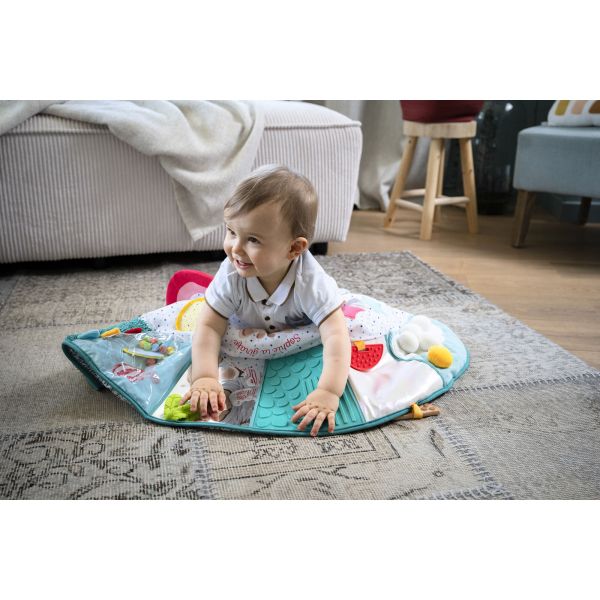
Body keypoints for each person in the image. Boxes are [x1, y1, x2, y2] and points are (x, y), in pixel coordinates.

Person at [180, 164, 351, 436]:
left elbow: (336, 336)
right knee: (195, 325)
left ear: (294, 248)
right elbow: (210, 326)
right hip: (246, 326)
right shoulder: (231, 273)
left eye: (253, 240)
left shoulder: (310, 282)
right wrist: (205, 377)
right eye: (231, 232)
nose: (235, 248)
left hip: (301, 334)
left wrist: (328, 392)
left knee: (355, 331)